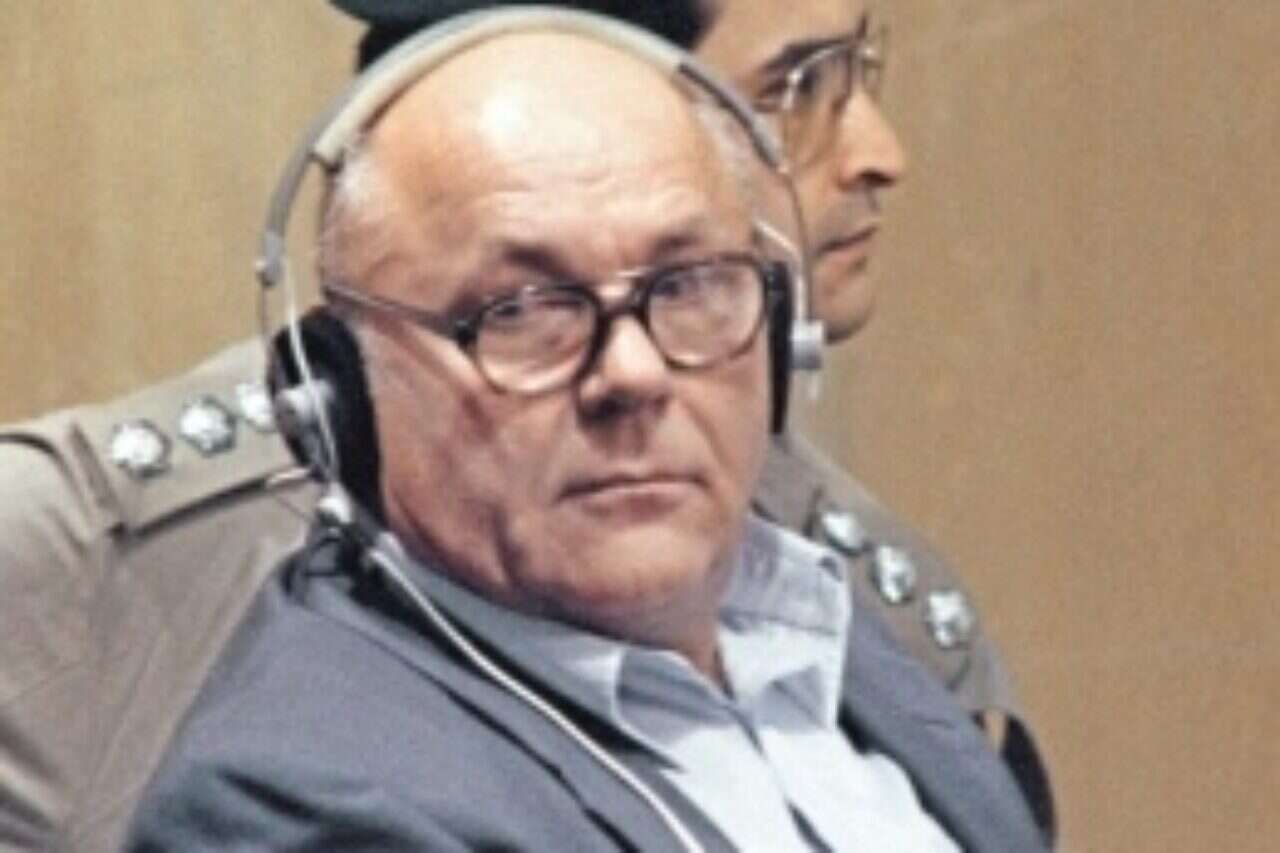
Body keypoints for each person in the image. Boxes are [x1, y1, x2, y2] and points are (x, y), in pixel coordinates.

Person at [0, 1, 1051, 850]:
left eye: (689, 282)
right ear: (338, 398)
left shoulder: (821, 621)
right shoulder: (303, 801)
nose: (632, 371)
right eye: (523, 311)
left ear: (778, 328)